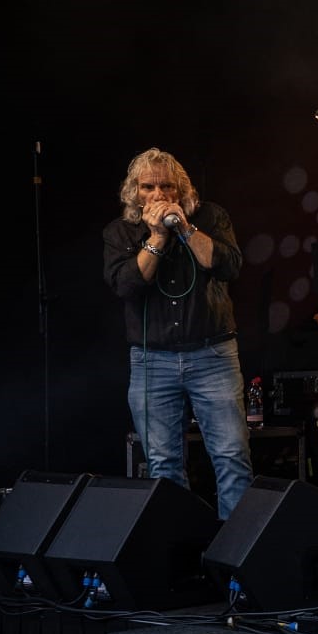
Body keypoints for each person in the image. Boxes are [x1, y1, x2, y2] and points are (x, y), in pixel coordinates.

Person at [103, 148, 253, 519]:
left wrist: (183, 228)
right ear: (134, 192)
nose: (158, 195)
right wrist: (156, 236)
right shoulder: (120, 231)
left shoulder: (210, 216)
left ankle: (234, 562)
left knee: (232, 456)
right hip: (152, 361)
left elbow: (228, 266)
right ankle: (179, 558)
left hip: (213, 355)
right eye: (148, 187)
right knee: (163, 465)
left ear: (181, 189)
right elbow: (126, 285)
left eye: (166, 186)